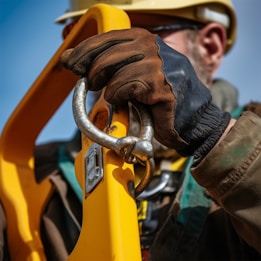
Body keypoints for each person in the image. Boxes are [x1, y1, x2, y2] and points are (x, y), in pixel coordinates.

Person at [0, 0, 260, 260]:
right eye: (98, 41)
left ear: (209, 47)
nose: (115, 59)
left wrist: (209, 132)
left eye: (144, 36)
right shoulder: (28, 174)